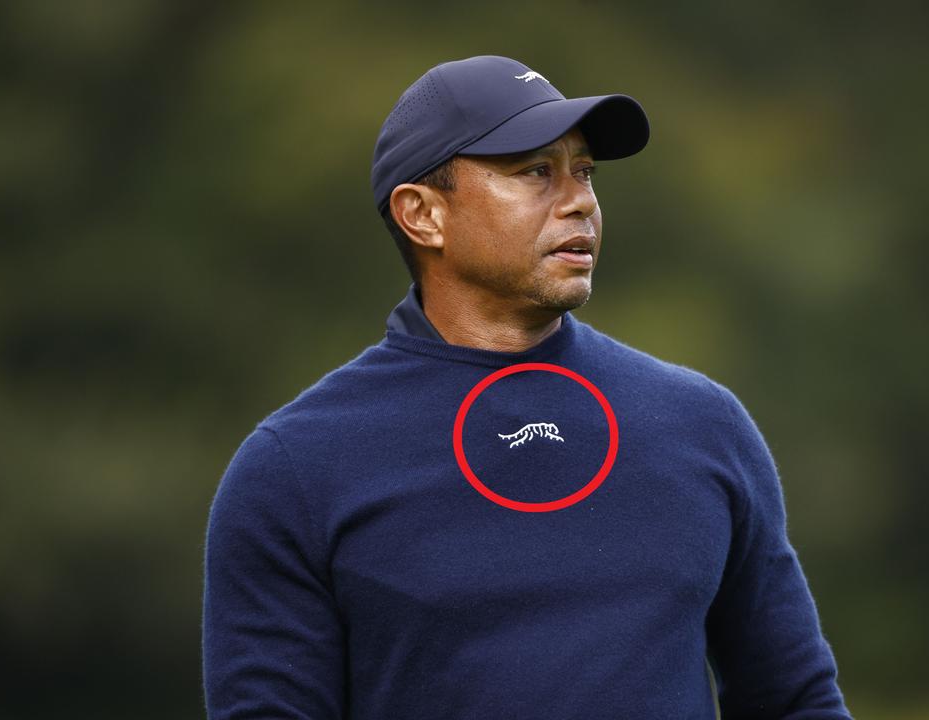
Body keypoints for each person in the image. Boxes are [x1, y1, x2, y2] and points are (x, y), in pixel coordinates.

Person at [202, 55, 851, 719]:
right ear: (423, 215)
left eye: (585, 172)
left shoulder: (702, 426)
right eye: (536, 171)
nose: (580, 202)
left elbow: (795, 700)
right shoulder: (295, 469)